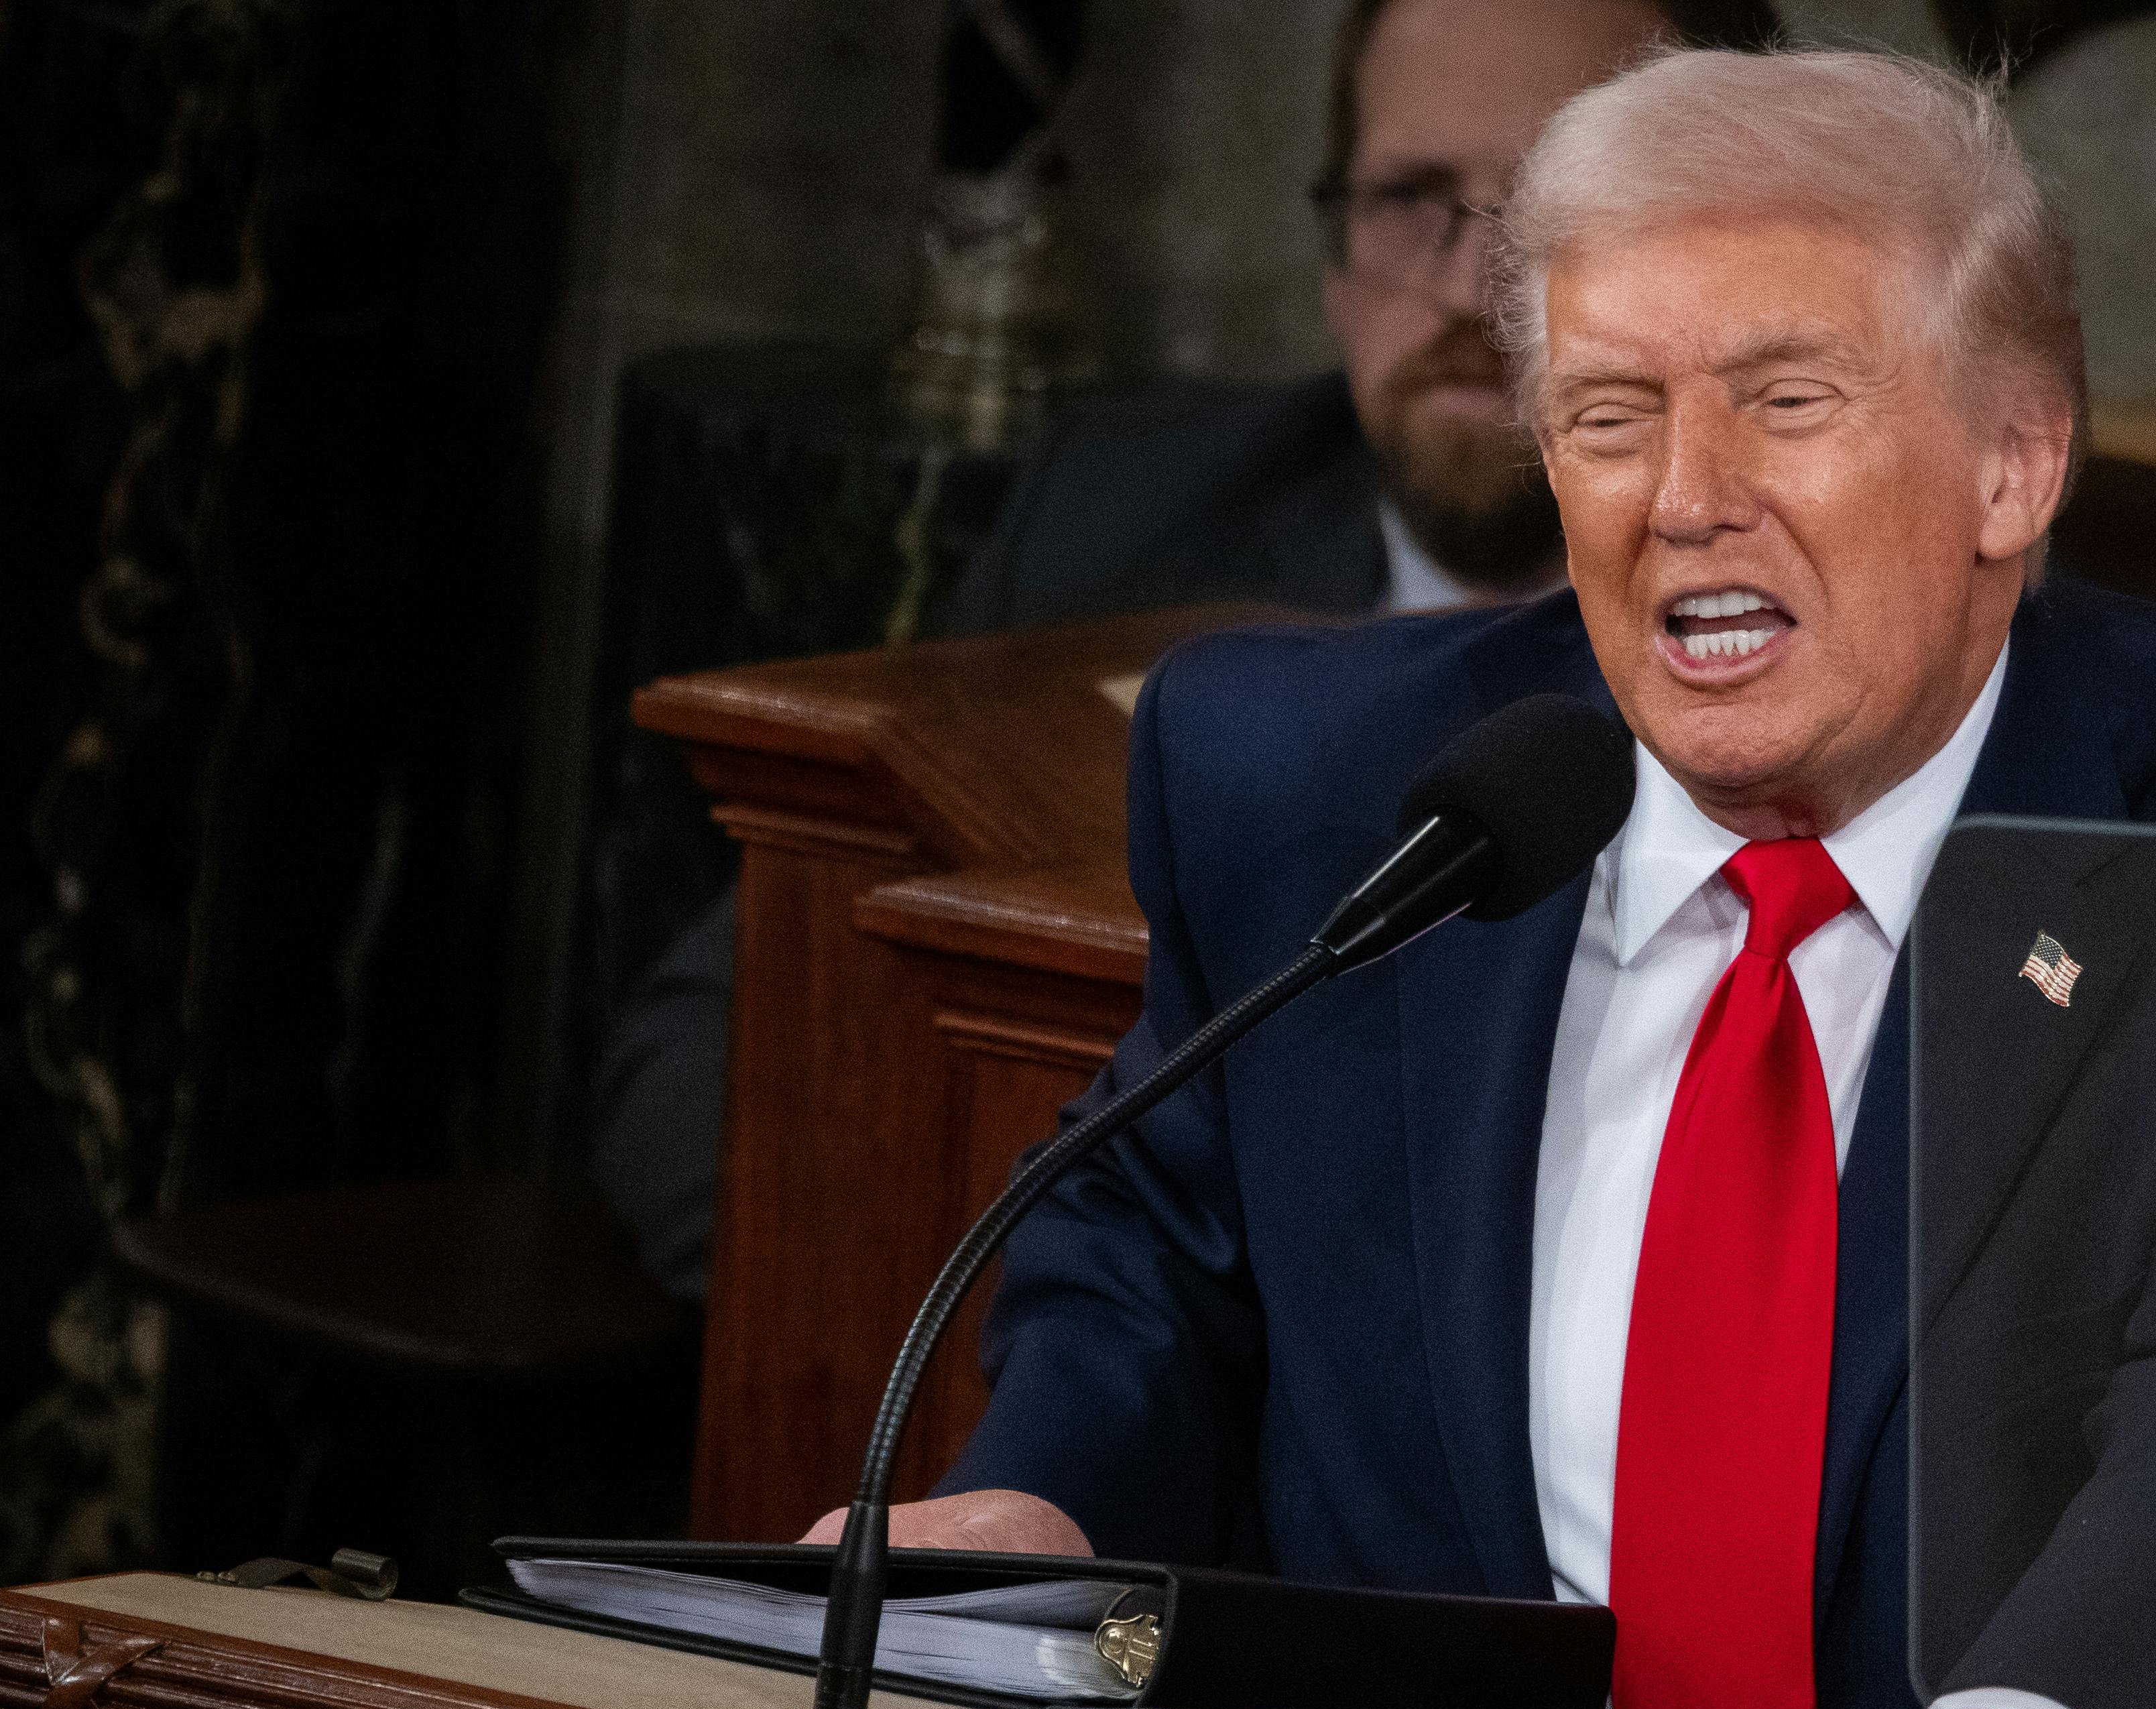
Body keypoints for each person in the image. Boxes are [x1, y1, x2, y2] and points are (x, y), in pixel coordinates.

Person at [823, 48, 2156, 1709]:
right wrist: (1041, 1500)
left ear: (2016, 460)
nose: (1685, 497)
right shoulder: (1323, 792)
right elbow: (1158, 1244)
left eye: (1786, 401)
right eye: (1609, 416)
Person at [589, 0, 1780, 1299]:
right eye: (1407, 199)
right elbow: (709, 1042)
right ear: (1332, 250)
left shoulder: (1834, 648)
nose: (1466, 285)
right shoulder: (1119, 529)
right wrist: (1011, 1380)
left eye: (1556, 214)